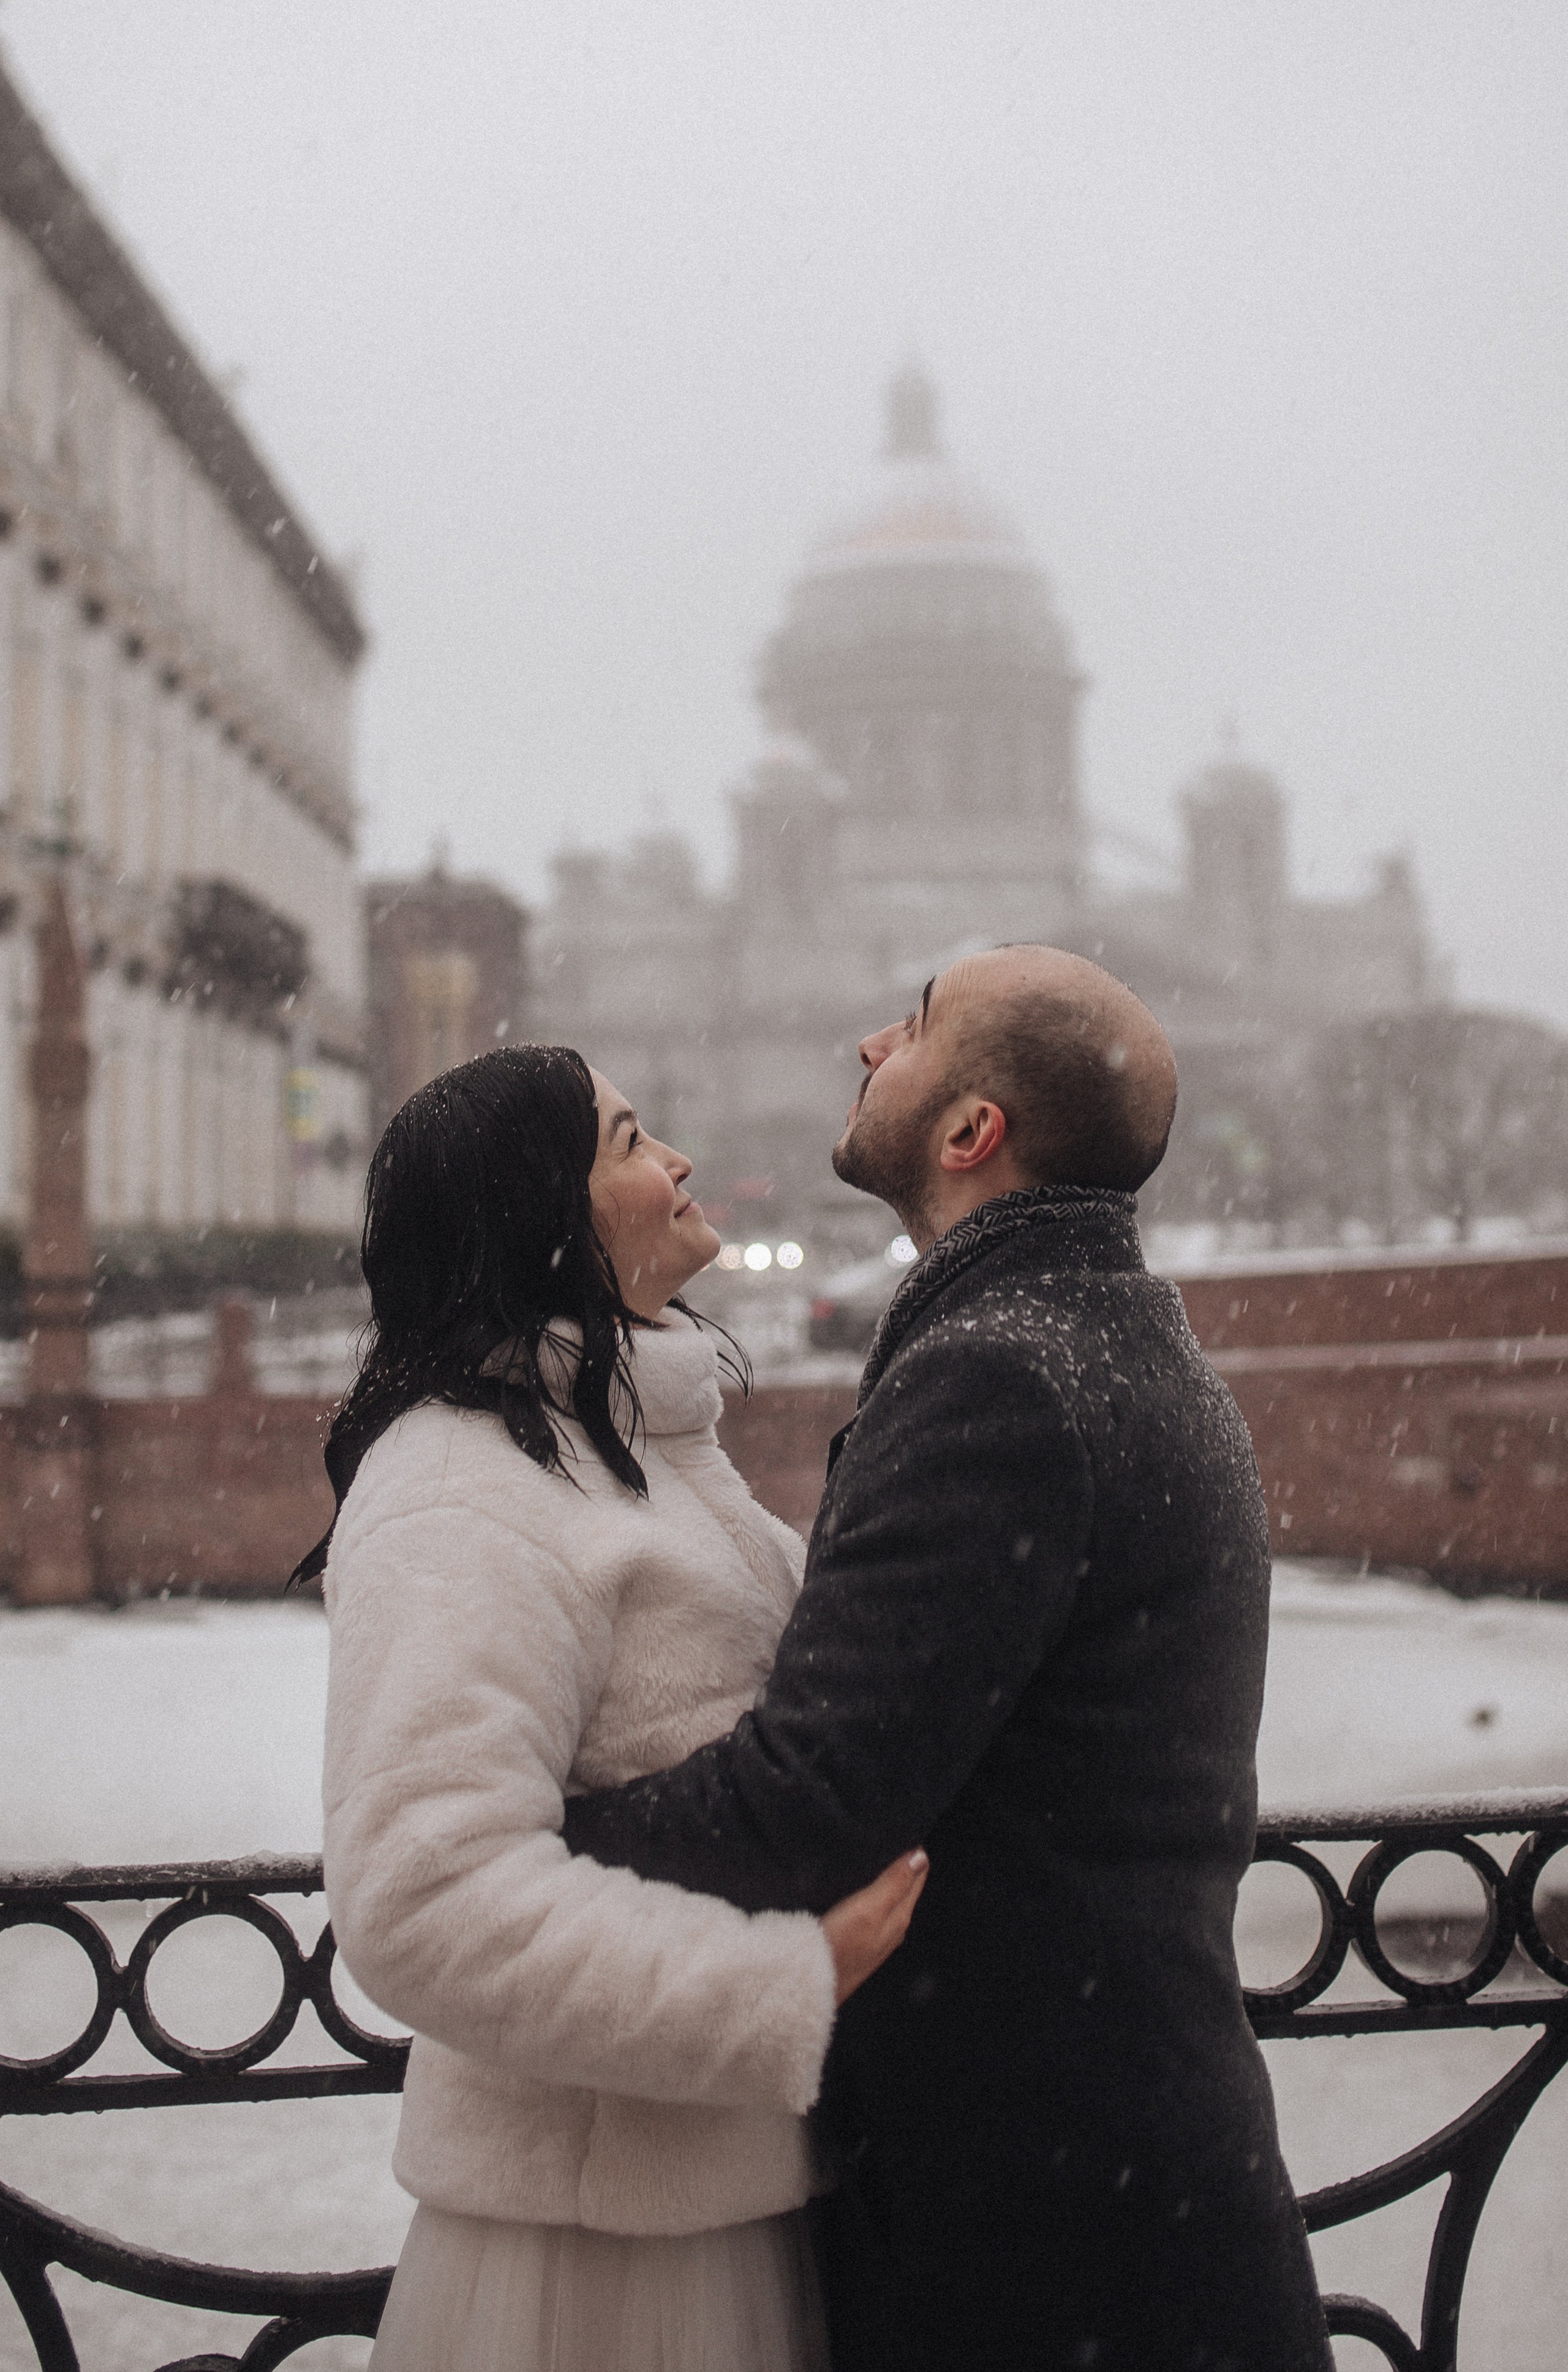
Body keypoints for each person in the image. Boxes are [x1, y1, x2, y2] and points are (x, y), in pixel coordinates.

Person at [563, 945, 1333, 2372]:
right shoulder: (1124, 1345)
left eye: (910, 1029)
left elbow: (808, 1804)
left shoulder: (1000, 1376)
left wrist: (522, 1842)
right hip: (1139, 2200)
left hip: (1036, 2252)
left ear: (972, 1129)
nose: (865, 1041)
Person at [300, 1044, 927, 2372]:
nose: (677, 1161)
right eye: (631, 1140)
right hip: (605, 2266)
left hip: (719, 2190)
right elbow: (423, 1894)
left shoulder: (626, 1446)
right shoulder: (460, 1487)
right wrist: (776, 1985)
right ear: (545, 1219)